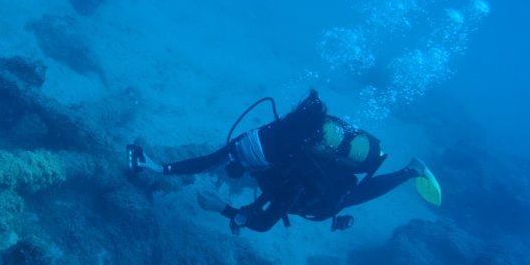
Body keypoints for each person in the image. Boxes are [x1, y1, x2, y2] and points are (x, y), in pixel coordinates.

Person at [127, 89, 441, 234]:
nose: (235, 165)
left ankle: (410, 171)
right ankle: (408, 170)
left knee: (350, 198)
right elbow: (211, 161)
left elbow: (264, 223)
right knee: (273, 187)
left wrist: (224, 209)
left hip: (324, 194)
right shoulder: (272, 143)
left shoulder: (288, 175)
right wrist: (158, 167)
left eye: (244, 165)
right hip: (295, 176)